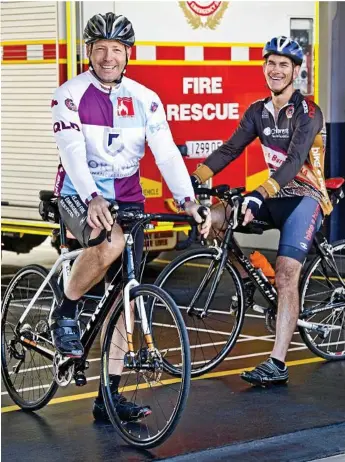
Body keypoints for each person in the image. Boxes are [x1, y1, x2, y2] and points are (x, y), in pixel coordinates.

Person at [50, 12, 211, 421]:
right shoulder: (69, 94)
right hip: (78, 194)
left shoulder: (144, 98)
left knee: (125, 298)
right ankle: (65, 308)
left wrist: (188, 201)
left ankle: (109, 396)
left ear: (127, 54)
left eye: (116, 50)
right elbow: (71, 152)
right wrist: (91, 197)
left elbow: (168, 153)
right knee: (111, 241)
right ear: (88, 52)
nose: (107, 58)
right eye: (100, 49)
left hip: (127, 199)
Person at [191, 36, 332, 386]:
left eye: (284, 64)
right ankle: (245, 275)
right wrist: (193, 180)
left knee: (286, 274)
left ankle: (277, 363)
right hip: (274, 194)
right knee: (220, 216)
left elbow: (295, 160)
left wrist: (259, 194)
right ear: (264, 67)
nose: (276, 69)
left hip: (306, 197)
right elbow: (228, 150)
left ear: (296, 71)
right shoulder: (257, 111)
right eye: (271, 63)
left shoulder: (309, 112)